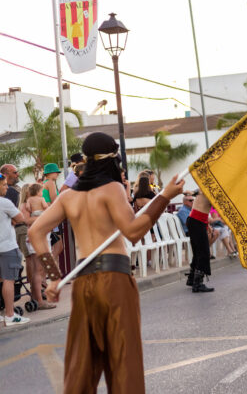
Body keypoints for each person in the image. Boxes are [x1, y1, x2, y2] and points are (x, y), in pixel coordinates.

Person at [28, 132, 184, 393]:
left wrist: (55, 277)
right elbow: (133, 232)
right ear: (112, 159)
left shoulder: (68, 196)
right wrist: (164, 196)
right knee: (124, 364)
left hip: (83, 283)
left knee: (81, 368)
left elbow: (35, 232)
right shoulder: (112, 189)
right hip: (115, 281)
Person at [0, 172, 29, 326]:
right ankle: (10, 315)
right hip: (6, 247)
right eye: (4, 185)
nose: (6, 188)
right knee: (9, 280)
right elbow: (21, 218)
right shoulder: (4, 203)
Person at [20, 183, 56, 310]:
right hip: (36, 237)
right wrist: (43, 216)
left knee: (41, 269)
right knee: (37, 269)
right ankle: (39, 301)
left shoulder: (33, 203)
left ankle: (37, 297)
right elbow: (26, 220)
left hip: (41, 235)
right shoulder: (25, 205)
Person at [185, 192, 215, 293]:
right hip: (197, 221)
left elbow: (204, 208)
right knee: (204, 253)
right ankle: (198, 284)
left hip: (196, 220)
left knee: (198, 252)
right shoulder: (209, 189)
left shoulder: (205, 188)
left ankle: (191, 279)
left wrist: (207, 225)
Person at [42, 163, 63, 261]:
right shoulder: (50, 183)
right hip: (52, 216)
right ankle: (49, 268)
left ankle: (51, 270)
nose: (58, 174)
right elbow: (55, 200)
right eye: (56, 172)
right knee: (58, 247)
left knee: (54, 246)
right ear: (50, 173)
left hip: (46, 215)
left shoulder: (44, 183)